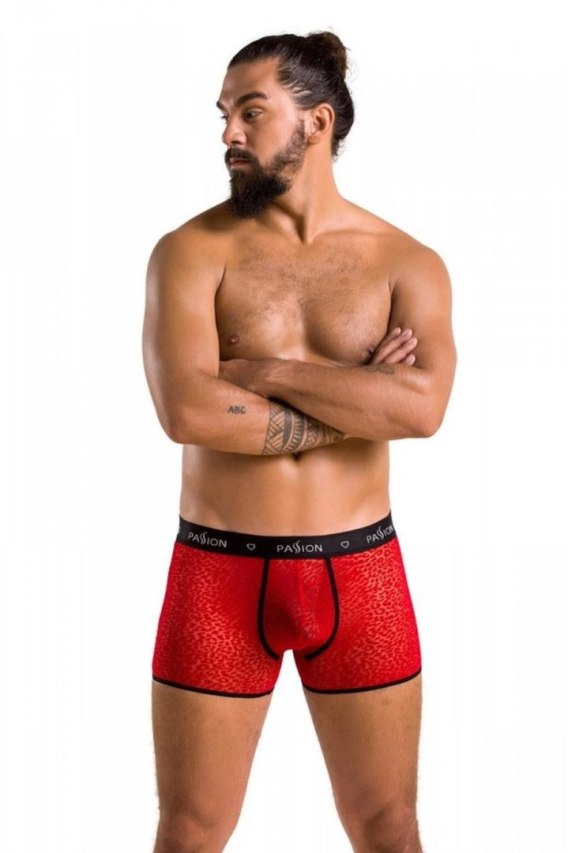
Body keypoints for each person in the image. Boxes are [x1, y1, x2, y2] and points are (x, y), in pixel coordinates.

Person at [142, 30, 456, 853]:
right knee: (190, 830)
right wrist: (366, 399)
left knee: (389, 827)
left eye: (252, 112)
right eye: (224, 114)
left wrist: (261, 370)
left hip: (361, 571)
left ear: (317, 122)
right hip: (218, 571)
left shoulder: (407, 262)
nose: (228, 133)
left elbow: (424, 409)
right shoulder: (188, 253)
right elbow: (188, 412)